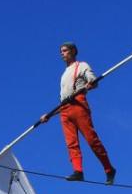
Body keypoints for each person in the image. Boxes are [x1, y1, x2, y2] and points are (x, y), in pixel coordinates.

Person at [40, 42, 115, 184]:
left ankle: (108, 168)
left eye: (65, 51)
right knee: (71, 143)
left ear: (73, 51)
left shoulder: (81, 66)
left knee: (92, 140)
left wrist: (90, 84)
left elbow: (93, 81)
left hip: (78, 104)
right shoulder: (63, 74)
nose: (62, 53)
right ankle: (78, 171)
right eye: (61, 51)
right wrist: (48, 116)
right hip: (65, 109)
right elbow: (63, 99)